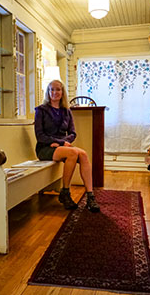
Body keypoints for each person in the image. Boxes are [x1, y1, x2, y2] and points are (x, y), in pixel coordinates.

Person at [34, 80, 100, 213]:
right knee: (72, 153)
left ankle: (90, 196)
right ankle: (65, 192)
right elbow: (40, 135)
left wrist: (63, 142)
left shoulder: (66, 111)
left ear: (62, 92)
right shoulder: (41, 110)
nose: (55, 92)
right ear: (48, 92)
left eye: (58, 89)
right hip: (45, 148)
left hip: (61, 146)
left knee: (83, 154)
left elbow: (73, 133)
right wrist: (60, 143)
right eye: (52, 89)